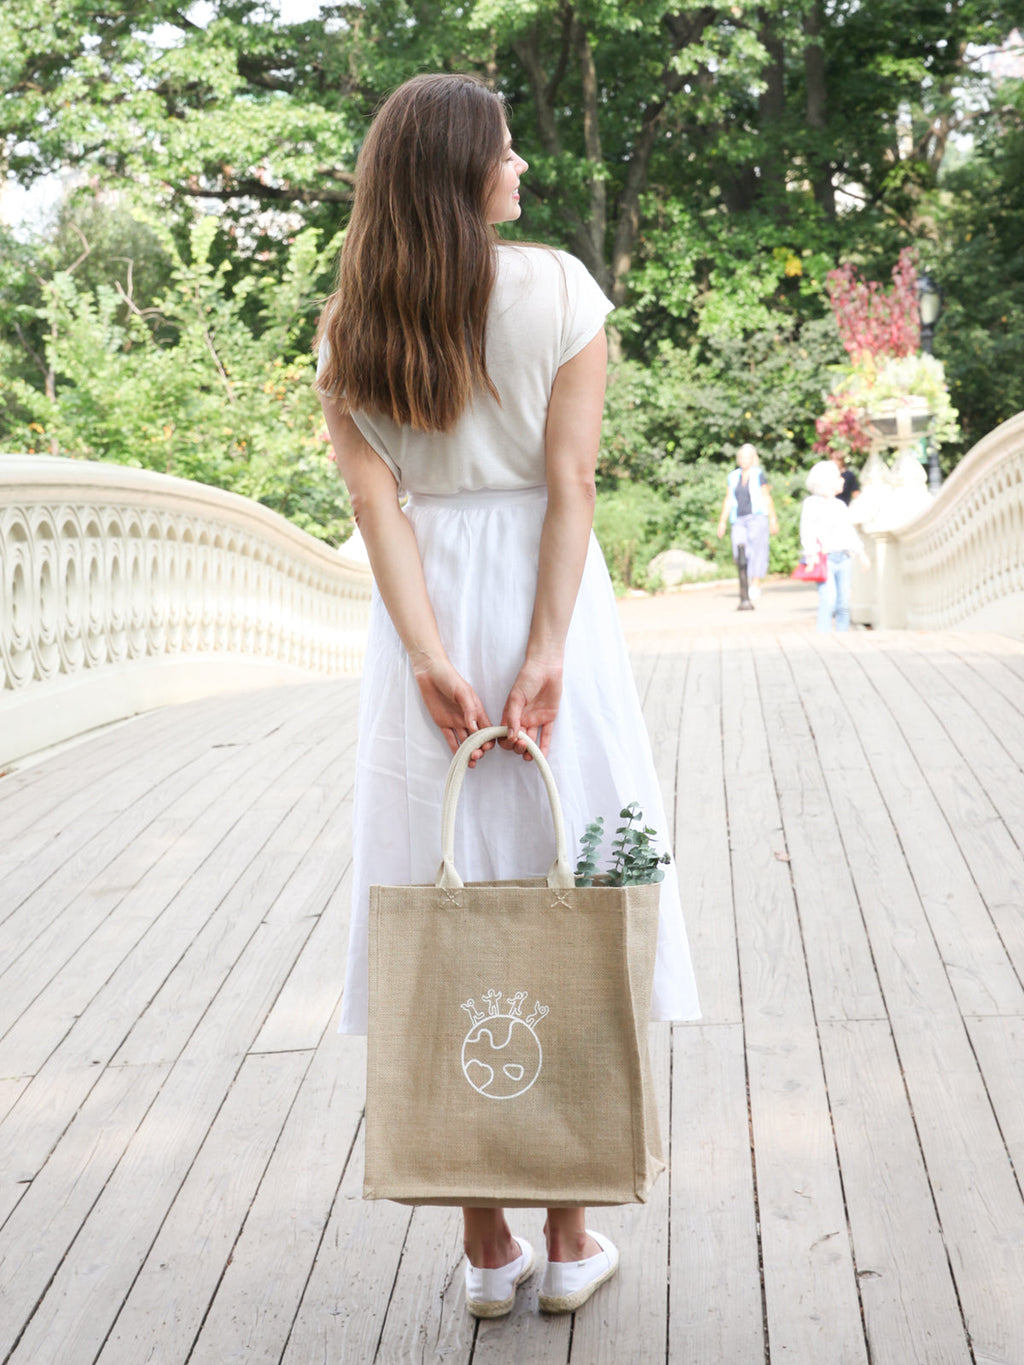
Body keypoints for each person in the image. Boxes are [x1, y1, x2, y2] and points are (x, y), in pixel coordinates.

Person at [316, 74, 699, 1321]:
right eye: (505, 148)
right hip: (549, 600)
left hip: (422, 607)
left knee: (449, 883)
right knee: (562, 870)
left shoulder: (353, 323)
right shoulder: (558, 290)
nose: (521, 164)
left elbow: (375, 503)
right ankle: (570, 1230)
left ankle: (484, 1251)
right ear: (462, 169)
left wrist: (428, 655)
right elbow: (573, 483)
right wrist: (544, 652)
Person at [800, 460, 870, 633]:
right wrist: (811, 553)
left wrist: (861, 553)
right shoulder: (812, 504)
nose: (842, 480)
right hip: (826, 558)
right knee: (829, 599)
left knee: (844, 602)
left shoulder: (840, 505)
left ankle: (843, 635)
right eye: (838, 477)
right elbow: (806, 530)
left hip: (844, 557)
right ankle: (823, 635)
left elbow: (849, 532)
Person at [716, 442, 778, 602]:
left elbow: (766, 497)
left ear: (752, 459)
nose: (744, 460)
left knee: (758, 549)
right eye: (742, 457)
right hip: (739, 519)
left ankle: (755, 584)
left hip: (757, 517)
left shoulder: (758, 474)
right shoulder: (733, 476)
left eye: (747, 457)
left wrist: (773, 518)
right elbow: (729, 499)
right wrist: (722, 521)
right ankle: (746, 580)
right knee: (740, 549)